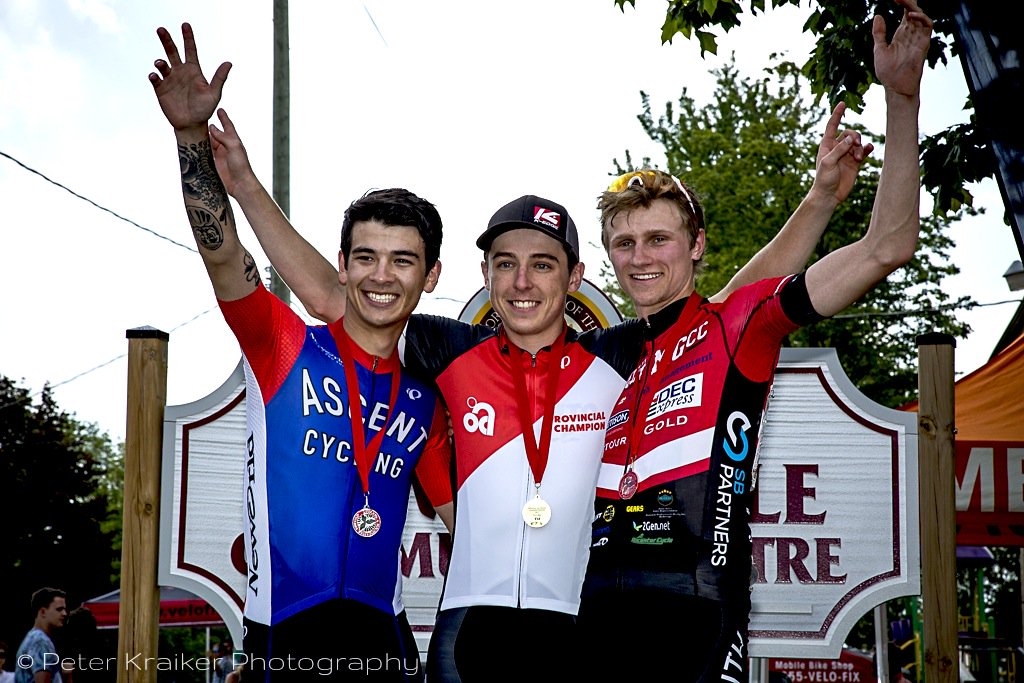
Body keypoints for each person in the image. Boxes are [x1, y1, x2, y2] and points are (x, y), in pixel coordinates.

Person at [194, 64, 871, 683]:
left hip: (572, 632)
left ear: (574, 276)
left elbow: (724, 314)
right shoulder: (445, 350)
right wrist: (247, 187)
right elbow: (339, 296)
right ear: (482, 276)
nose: (522, 281)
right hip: (464, 631)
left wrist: (816, 201)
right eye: (505, 263)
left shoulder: (616, 356)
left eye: (543, 263)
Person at [576, 2, 933, 681]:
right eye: (624, 243)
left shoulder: (737, 325)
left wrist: (902, 102)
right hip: (596, 618)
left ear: (695, 246)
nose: (640, 256)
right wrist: (818, 197)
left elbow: (888, 246)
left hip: (696, 619)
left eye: (658, 239)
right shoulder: (611, 354)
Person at [149, 24, 454, 682]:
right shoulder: (285, 345)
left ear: (429, 276)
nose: (382, 274)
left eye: (403, 260)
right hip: (284, 634)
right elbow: (223, 254)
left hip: (385, 641)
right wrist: (189, 140)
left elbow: (465, 521)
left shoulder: (428, 394)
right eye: (366, 256)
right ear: (342, 264)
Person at [14, 588, 70, 683]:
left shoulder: (32, 637)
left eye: (65, 609)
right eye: (59, 609)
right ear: (43, 612)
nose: (64, 614)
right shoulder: (41, 642)